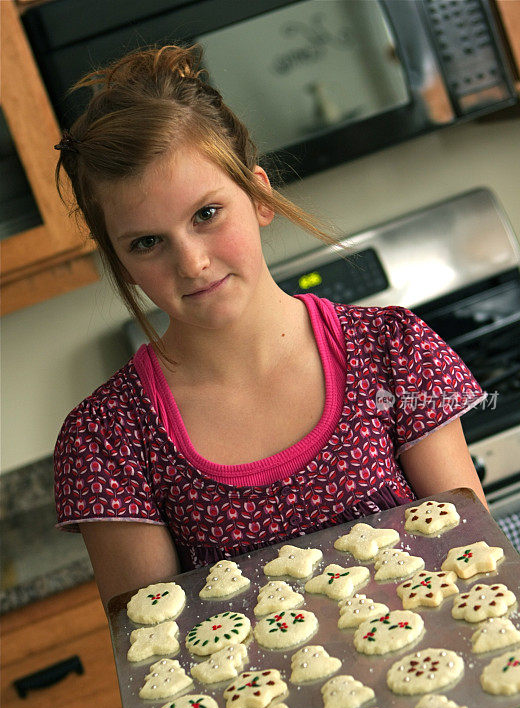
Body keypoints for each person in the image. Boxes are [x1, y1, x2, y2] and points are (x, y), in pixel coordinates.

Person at [53, 45, 488, 610]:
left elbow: (477, 574)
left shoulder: (393, 350)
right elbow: (155, 657)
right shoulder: (107, 438)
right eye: (146, 242)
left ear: (259, 196)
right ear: (119, 262)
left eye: (206, 214)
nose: (191, 262)